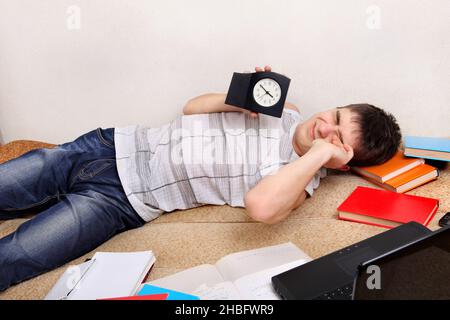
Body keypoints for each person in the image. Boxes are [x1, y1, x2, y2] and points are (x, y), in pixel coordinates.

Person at [0, 66, 401, 291]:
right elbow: (192, 108)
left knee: (18, 256)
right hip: (106, 146)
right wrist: (238, 94)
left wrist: (316, 157)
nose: (325, 128)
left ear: (343, 161)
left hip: (120, 201)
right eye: (334, 117)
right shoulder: (285, 108)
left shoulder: (298, 185)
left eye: (337, 140)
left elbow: (262, 207)